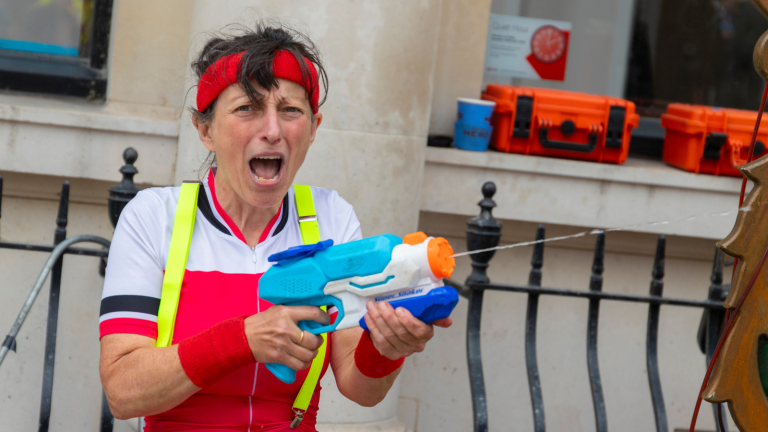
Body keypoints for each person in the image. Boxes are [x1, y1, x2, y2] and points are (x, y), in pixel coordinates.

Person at [98, 23, 452, 432]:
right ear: (205, 129)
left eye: (290, 110)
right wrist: (243, 338)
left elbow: (361, 388)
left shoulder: (332, 217)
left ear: (314, 127)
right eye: (247, 108)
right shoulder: (153, 216)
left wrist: (389, 347)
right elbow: (123, 391)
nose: (272, 130)